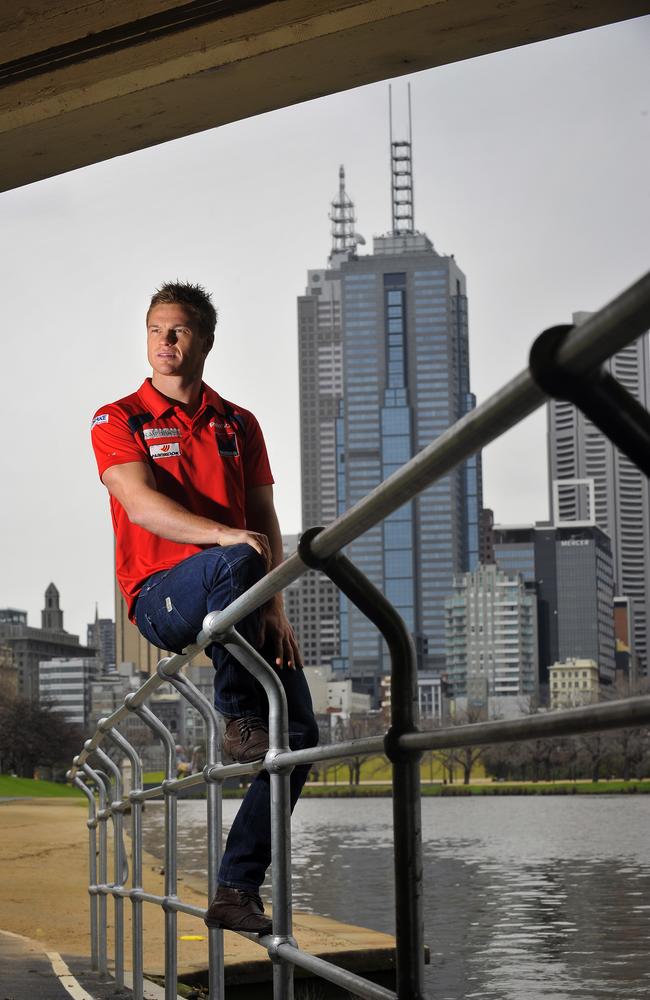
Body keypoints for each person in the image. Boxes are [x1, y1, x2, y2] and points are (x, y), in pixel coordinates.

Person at [91, 281, 318, 935]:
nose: (165, 342)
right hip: (162, 596)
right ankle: (240, 713)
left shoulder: (238, 423)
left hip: (242, 586)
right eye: (155, 329)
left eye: (179, 331)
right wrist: (224, 538)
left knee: (300, 740)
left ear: (205, 341)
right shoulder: (118, 418)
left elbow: (266, 517)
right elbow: (138, 504)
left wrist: (272, 605)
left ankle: (235, 888)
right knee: (237, 555)